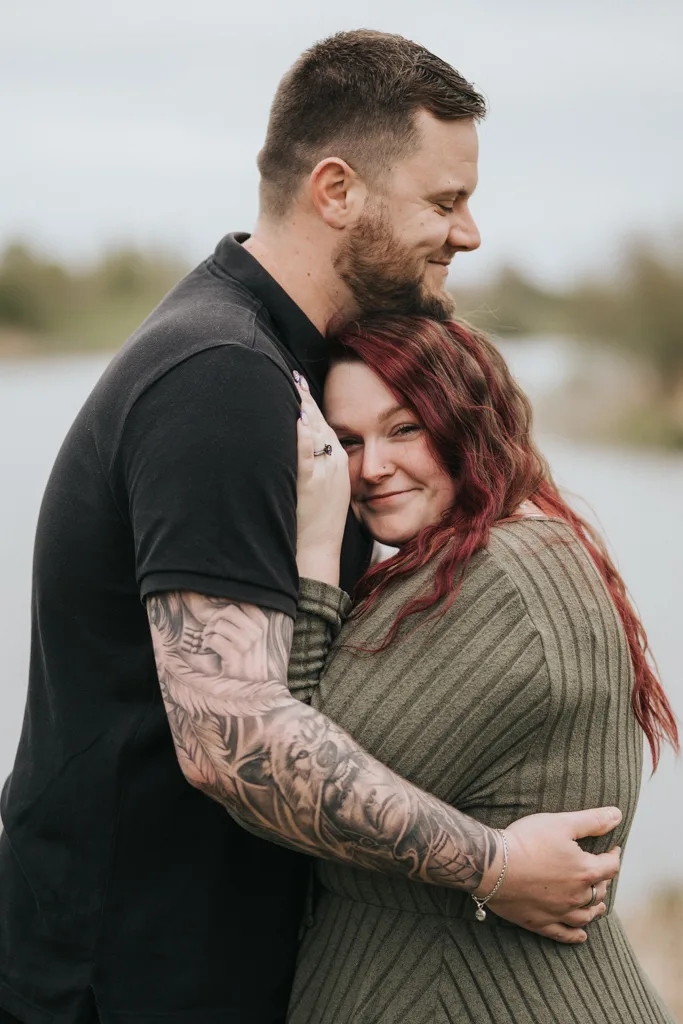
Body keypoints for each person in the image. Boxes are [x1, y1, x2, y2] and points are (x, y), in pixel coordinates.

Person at [0, 30, 621, 1024]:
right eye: (444, 200)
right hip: (128, 976)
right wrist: (495, 864)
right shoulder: (220, 378)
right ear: (336, 191)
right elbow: (230, 734)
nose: (467, 234)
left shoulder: (284, 367)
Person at [285, 315, 679, 1024]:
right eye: (346, 441)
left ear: (467, 424)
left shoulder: (501, 576)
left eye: (403, 428)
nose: (370, 467)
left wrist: (314, 557)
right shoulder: (487, 552)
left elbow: (288, 772)